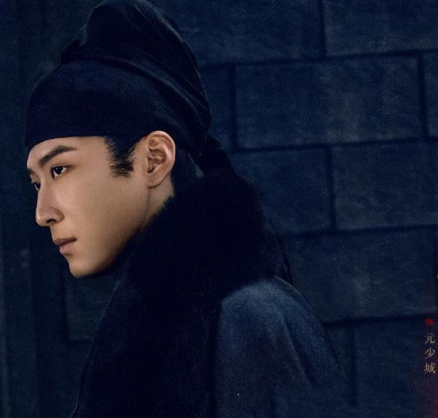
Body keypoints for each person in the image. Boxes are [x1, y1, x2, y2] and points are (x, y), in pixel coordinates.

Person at [24, 1, 348, 416]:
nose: (43, 212)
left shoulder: (250, 318)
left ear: (154, 159)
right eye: (37, 183)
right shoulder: (147, 330)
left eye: (59, 169)